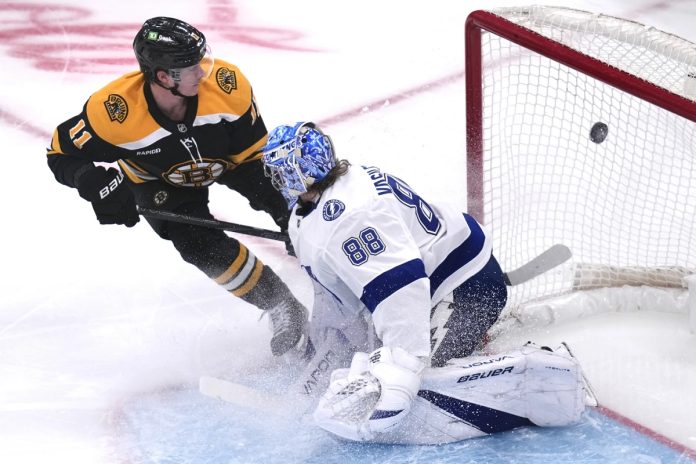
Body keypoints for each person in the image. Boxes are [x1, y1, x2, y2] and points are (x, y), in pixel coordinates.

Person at [261, 121, 578, 442]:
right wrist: (324, 348)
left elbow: (399, 287)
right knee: (382, 361)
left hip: (466, 288)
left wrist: (401, 364)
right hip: (435, 287)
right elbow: (339, 300)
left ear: (296, 172)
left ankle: (542, 373)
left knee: (421, 380)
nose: (274, 181)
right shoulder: (318, 206)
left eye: (278, 172)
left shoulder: (350, 218)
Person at [45, 17, 307, 357]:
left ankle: (339, 278)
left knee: (295, 208)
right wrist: (92, 182)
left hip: (232, 159)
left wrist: (289, 214)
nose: (203, 72)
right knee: (195, 243)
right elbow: (60, 153)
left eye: (201, 60)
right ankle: (281, 304)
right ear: (163, 77)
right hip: (159, 179)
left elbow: (258, 158)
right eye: (190, 67)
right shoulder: (113, 112)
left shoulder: (228, 86)